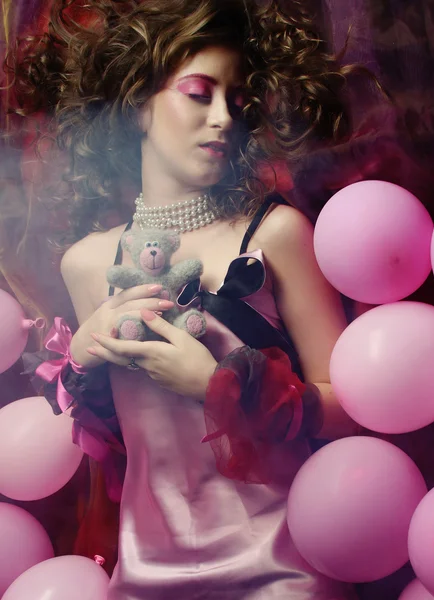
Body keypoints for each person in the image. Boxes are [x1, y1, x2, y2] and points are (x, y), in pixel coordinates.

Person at [8, 0, 362, 597]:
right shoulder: (88, 263)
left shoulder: (276, 235)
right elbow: (118, 440)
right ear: (138, 106)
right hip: (146, 569)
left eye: (238, 101)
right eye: (200, 93)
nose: (224, 117)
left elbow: (352, 409)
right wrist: (82, 367)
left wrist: (221, 384)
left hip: (283, 560)